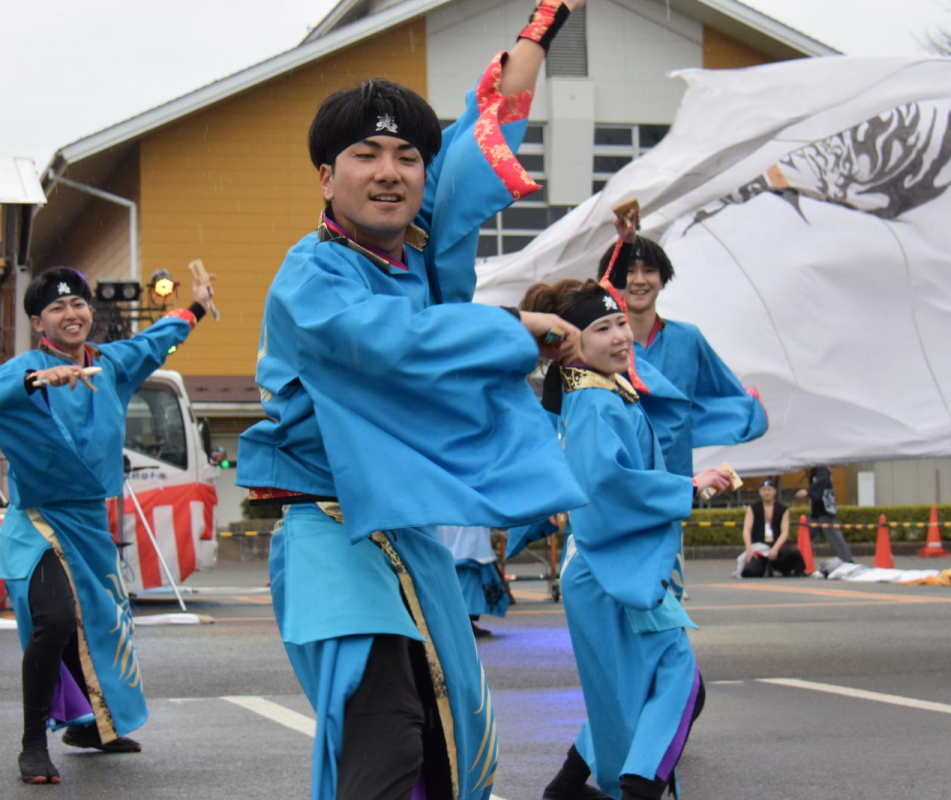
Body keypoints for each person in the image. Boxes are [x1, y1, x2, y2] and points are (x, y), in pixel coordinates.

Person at [236, 2, 589, 797]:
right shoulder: (312, 275)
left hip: (408, 531)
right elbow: (392, 342)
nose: (388, 171)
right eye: (365, 154)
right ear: (326, 176)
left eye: (406, 156)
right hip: (332, 533)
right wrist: (514, 326)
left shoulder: (414, 244)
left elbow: (490, 119)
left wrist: (544, 23)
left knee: (443, 738)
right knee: (387, 725)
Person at [0, 267, 214, 784]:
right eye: (57, 308)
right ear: (38, 322)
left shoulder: (111, 364)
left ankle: (93, 726)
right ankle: (33, 744)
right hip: (38, 522)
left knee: (103, 628)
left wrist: (194, 308)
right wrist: (37, 381)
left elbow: (155, 341)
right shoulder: (27, 367)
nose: (71, 314)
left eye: (78, 304)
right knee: (56, 620)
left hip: (89, 523)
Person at [520, 279, 731, 800]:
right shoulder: (596, 401)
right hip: (612, 566)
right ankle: (637, 787)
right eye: (602, 328)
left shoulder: (593, 393)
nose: (620, 335)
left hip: (602, 564)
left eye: (620, 323)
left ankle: (571, 787)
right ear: (572, 343)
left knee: (627, 689)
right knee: (677, 678)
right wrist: (690, 486)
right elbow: (608, 486)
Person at [598, 212, 768, 478]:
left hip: (676, 478)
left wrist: (748, 412)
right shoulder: (597, 344)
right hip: (617, 478)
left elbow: (724, 394)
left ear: (662, 278)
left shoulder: (688, 338)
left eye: (649, 271)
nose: (639, 280)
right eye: (629, 272)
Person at [436, 526, 510, 638]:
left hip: (462, 548)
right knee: (466, 591)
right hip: (468, 548)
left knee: (462, 590)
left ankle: (464, 624)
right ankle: (464, 625)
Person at [738, 479, 804, 578]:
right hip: (759, 546)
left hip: (776, 546)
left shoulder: (783, 509)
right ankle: (764, 567)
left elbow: (785, 532)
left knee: (793, 552)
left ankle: (784, 569)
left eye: (769, 490)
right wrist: (749, 548)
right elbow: (747, 529)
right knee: (750, 571)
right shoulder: (752, 508)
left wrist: (775, 549)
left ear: (774, 491)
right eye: (763, 490)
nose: (766, 492)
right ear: (760, 492)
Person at [795, 465, 854, 563]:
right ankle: (797, 558)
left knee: (833, 535)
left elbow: (821, 482)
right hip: (816, 509)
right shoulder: (815, 470)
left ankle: (847, 560)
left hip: (824, 508)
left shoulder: (823, 469)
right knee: (807, 535)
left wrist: (807, 491)